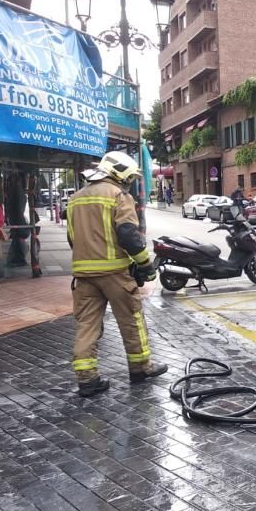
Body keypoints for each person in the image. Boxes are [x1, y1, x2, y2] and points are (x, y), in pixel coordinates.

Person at [67, 151, 166, 398]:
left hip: (83, 275)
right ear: (120, 172)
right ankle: (140, 368)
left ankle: (87, 379)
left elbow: (72, 238)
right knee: (132, 320)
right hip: (114, 273)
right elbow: (129, 236)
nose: (129, 181)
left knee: (86, 325)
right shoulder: (119, 196)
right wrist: (144, 264)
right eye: (129, 177)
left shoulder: (75, 199)